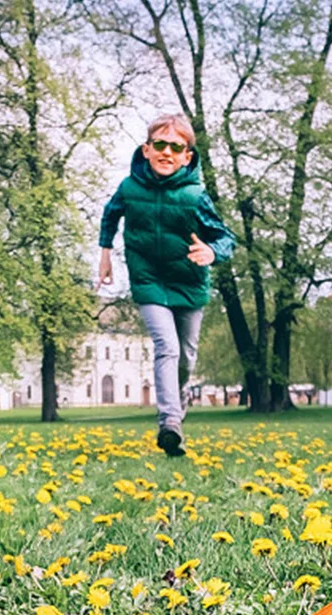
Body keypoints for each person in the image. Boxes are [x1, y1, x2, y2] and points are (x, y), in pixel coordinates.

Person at [97, 115, 234, 456]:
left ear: (188, 156)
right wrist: (105, 254)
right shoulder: (130, 188)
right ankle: (170, 423)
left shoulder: (195, 195)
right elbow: (110, 215)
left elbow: (225, 238)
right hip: (148, 279)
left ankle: (180, 397)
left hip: (188, 281)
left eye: (177, 147)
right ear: (146, 150)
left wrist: (211, 251)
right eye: (160, 144)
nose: (167, 152)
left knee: (186, 355)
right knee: (166, 347)